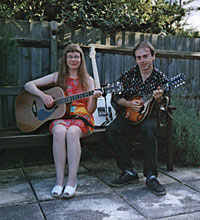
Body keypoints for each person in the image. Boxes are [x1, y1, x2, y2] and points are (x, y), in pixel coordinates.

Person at [24, 43, 102, 199]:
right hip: (60, 117)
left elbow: (91, 109)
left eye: (77, 56)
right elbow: (28, 85)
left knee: (72, 132)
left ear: (81, 59)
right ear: (65, 59)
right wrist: (43, 96)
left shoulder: (88, 80)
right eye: (70, 56)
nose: (73, 59)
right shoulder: (57, 76)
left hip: (82, 117)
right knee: (59, 132)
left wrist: (94, 98)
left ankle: (72, 181)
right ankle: (59, 181)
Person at [106, 41, 170, 195]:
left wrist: (159, 98)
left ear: (153, 57)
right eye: (139, 57)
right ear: (135, 59)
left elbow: (166, 102)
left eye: (146, 56)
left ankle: (151, 176)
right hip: (129, 115)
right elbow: (115, 96)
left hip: (149, 116)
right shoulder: (129, 75)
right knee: (112, 130)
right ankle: (128, 171)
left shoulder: (160, 78)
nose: (142, 60)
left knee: (148, 129)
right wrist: (128, 103)